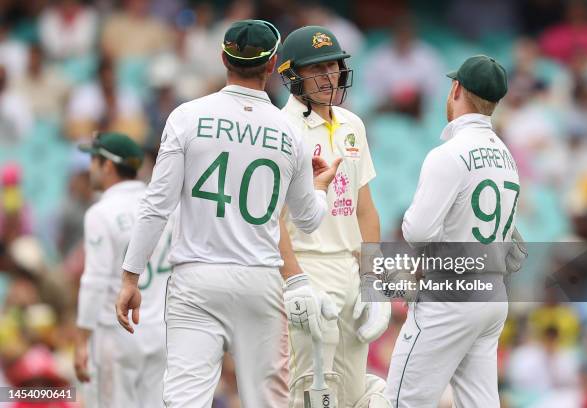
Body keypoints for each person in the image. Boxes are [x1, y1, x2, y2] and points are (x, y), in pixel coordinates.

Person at [115, 20, 341, 407]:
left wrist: (130, 277)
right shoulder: (290, 134)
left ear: (223, 59)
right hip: (260, 279)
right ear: (273, 65)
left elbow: (157, 205)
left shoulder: (186, 117)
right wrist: (320, 187)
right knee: (267, 401)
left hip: (195, 277)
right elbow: (308, 220)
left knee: (185, 399)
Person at [385, 55, 524, 407]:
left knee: (403, 401)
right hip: (492, 294)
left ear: (457, 88)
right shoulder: (507, 157)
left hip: (451, 293)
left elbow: (418, 230)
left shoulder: (448, 153)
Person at [277, 26, 391, 408]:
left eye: (334, 66)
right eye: (317, 69)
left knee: (354, 392)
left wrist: (373, 279)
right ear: (293, 76)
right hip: (308, 267)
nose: (330, 77)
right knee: (309, 391)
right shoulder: (282, 130)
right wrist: (295, 281)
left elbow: (365, 208)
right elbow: (272, 219)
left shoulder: (352, 124)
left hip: (351, 269)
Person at [73, 132, 173, 407]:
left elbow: (94, 281)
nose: (90, 167)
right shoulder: (162, 206)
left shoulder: (101, 213)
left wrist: (81, 341)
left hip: (117, 333)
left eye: (93, 160)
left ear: (107, 165)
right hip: (162, 333)